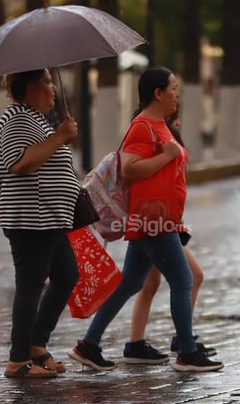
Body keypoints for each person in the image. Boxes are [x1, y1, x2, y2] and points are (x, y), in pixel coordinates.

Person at [69, 66, 223, 373]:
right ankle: (187, 353)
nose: (177, 94)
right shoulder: (142, 127)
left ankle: (89, 344)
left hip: (161, 217)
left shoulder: (160, 125)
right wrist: (167, 155)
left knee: (130, 283)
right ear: (158, 93)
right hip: (153, 219)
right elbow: (129, 169)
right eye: (173, 88)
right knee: (183, 280)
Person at [0, 68, 81, 379]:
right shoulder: (17, 118)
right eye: (46, 81)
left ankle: (36, 344)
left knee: (67, 275)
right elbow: (20, 162)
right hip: (32, 218)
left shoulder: (32, 117)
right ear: (30, 87)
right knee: (30, 286)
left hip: (49, 218)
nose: (52, 88)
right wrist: (59, 137)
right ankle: (17, 359)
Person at [123, 108, 213, 365]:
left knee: (145, 284)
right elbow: (146, 178)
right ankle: (180, 343)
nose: (178, 121)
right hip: (157, 225)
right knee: (189, 277)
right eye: (174, 118)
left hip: (165, 223)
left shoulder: (167, 142)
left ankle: (138, 342)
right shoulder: (154, 137)